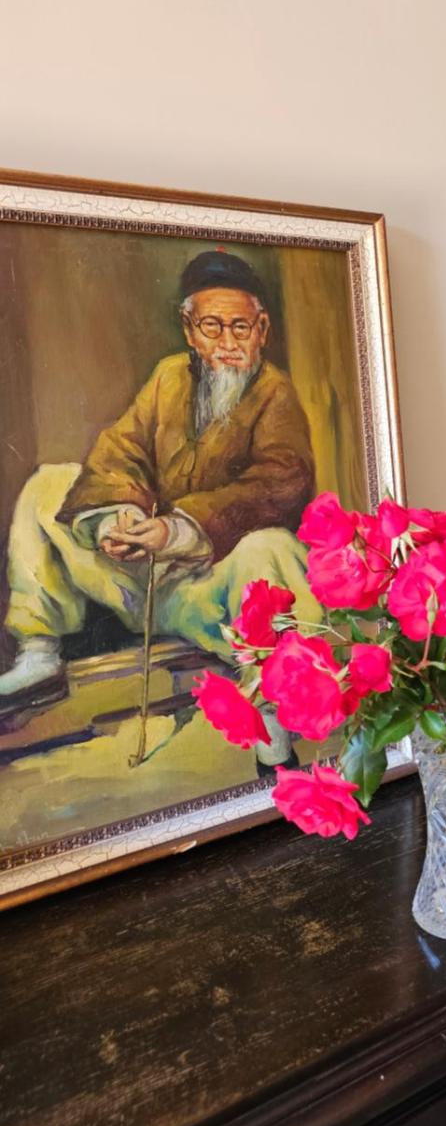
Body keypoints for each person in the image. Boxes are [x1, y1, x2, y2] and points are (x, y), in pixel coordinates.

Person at [0, 250, 320, 762]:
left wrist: (177, 530)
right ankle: (39, 655)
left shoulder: (274, 393)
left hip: (210, 590)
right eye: (212, 326)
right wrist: (117, 518)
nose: (227, 343)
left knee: (271, 549)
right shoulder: (169, 378)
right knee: (49, 484)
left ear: (261, 330)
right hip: (144, 581)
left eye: (240, 327)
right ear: (190, 330)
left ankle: (272, 729)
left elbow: (282, 482)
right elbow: (118, 453)